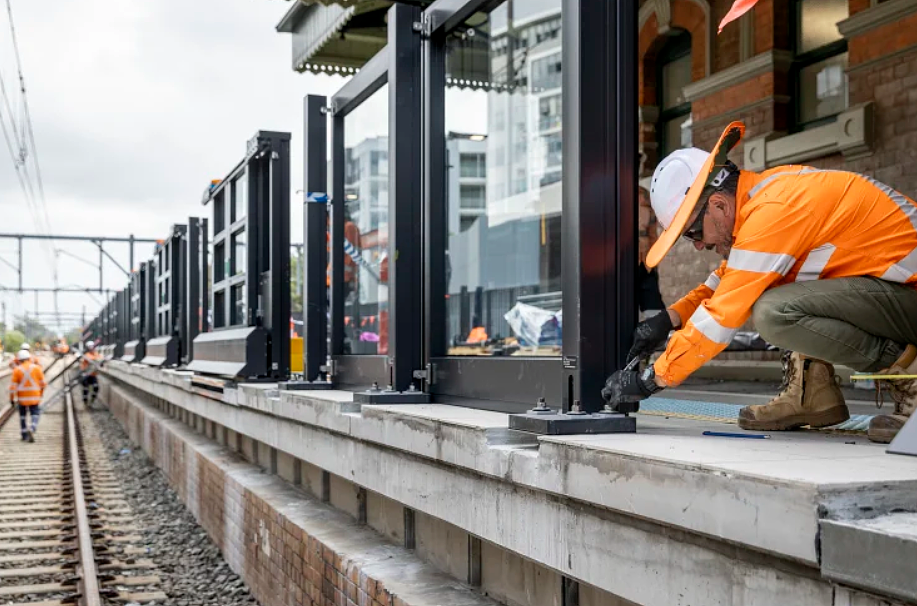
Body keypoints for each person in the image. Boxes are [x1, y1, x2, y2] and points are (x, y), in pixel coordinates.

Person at [602, 120, 917, 444]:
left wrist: (648, 381)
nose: (698, 244)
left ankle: (911, 377)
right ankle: (812, 393)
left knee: (773, 311)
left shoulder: (772, 213)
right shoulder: (763, 200)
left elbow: (719, 318)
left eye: (693, 233)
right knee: (773, 285)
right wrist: (669, 320)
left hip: (909, 294)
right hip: (899, 295)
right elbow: (729, 280)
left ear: (719, 205)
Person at [638, 185, 666, 317]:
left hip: (644, 260)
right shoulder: (613, 194)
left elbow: (652, 233)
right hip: (622, 261)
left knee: (653, 304)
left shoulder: (644, 195)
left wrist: (654, 259)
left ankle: (656, 334)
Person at [9, 349, 46, 442]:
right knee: (35, 413)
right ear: (29, 358)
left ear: (19, 360)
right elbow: (43, 384)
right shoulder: (37, 368)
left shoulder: (17, 370)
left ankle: (24, 434)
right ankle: (32, 428)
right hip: (35, 397)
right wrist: (40, 394)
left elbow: (12, 387)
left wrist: (12, 400)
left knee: (22, 416)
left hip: (22, 398)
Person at [80, 341, 104, 406]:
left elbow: (100, 360)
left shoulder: (96, 354)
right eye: (90, 347)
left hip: (93, 375)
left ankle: (92, 400)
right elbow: (90, 359)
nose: (91, 348)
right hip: (86, 375)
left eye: (92, 346)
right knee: (86, 388)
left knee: (96, 387)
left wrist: (101, 361)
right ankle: (85, 401)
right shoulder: (86, 355)